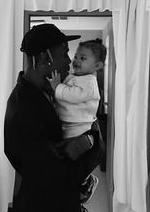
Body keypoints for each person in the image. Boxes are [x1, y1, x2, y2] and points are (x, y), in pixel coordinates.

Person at [4, 24, 102, 212]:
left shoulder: (47, 91)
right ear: (43, 58)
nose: (69, 62)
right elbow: (52, 175)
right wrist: (93, 145)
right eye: (64, 54)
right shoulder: (23, 108)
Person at [47, 39, 107, 204]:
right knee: (67, 160)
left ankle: (86, 182)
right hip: (68, 124)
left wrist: (57, 87)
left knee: (73, 161)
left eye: (83, 58)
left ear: (98, 66)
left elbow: (73, 96)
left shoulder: (89, 83)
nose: (76, 60)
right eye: (76, 56)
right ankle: (82, 182)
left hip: (79, 128)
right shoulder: (75, 77)